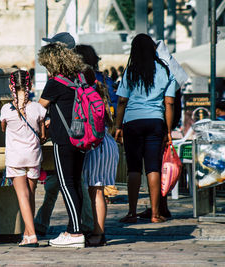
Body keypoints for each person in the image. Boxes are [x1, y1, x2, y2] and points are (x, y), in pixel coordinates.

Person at [34, 33, 94, 238]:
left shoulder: (54, 83)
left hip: (64, 138)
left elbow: (38, 110)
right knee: (76, 183)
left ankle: (74, 232)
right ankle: (76, 227)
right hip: (82, 137)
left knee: (66, 184)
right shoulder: (79, 77)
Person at [114, 33, 176, 224]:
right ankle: (155, 214)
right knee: (153, 167)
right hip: (156, 122)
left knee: (134, 168)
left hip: (132, 122)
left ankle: (132, 212)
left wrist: (118, 126)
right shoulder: (165, 71)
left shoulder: (130, 72)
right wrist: (168, 131)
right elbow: (170, 103)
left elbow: (122, 101)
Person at [74, 45, 119, 247]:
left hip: (95, 144)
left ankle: (97, 232)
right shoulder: (104, 82)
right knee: (97, 190)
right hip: (107, 142)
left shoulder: (83, 88)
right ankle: (97, 230)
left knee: (94, 191)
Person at [0, 70, 46, 247]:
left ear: (11, 86)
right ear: (30, 86)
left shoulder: (6, 109)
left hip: (15, 158)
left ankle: (31, 235)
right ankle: (27, 234)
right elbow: (42, 134)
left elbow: (3, 128)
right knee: (31, 195)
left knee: (22, 197)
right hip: (34, 157)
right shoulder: (38, 108)